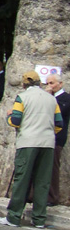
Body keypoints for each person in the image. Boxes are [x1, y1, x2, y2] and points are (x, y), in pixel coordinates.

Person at [0, 70, 63, 228]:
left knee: (22, 179)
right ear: (39, 83)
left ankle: (13, 216)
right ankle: (39, 218)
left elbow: (15, 120)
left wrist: (8, 116)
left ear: (24, 84)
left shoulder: (22, 97)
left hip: (28, 141)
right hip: (47, 143)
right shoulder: (51, 99)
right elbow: (59, 124)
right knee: (42, 181)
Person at [45, 73, 70, 206]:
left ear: (60, 84)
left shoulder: (65, 98)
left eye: (52, 83)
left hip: (57, 137)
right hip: (43, 135)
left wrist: (48, 96)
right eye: (48, 83)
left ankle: (52, 197)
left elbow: (58, 112)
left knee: (53, 168)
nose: (49, 86)